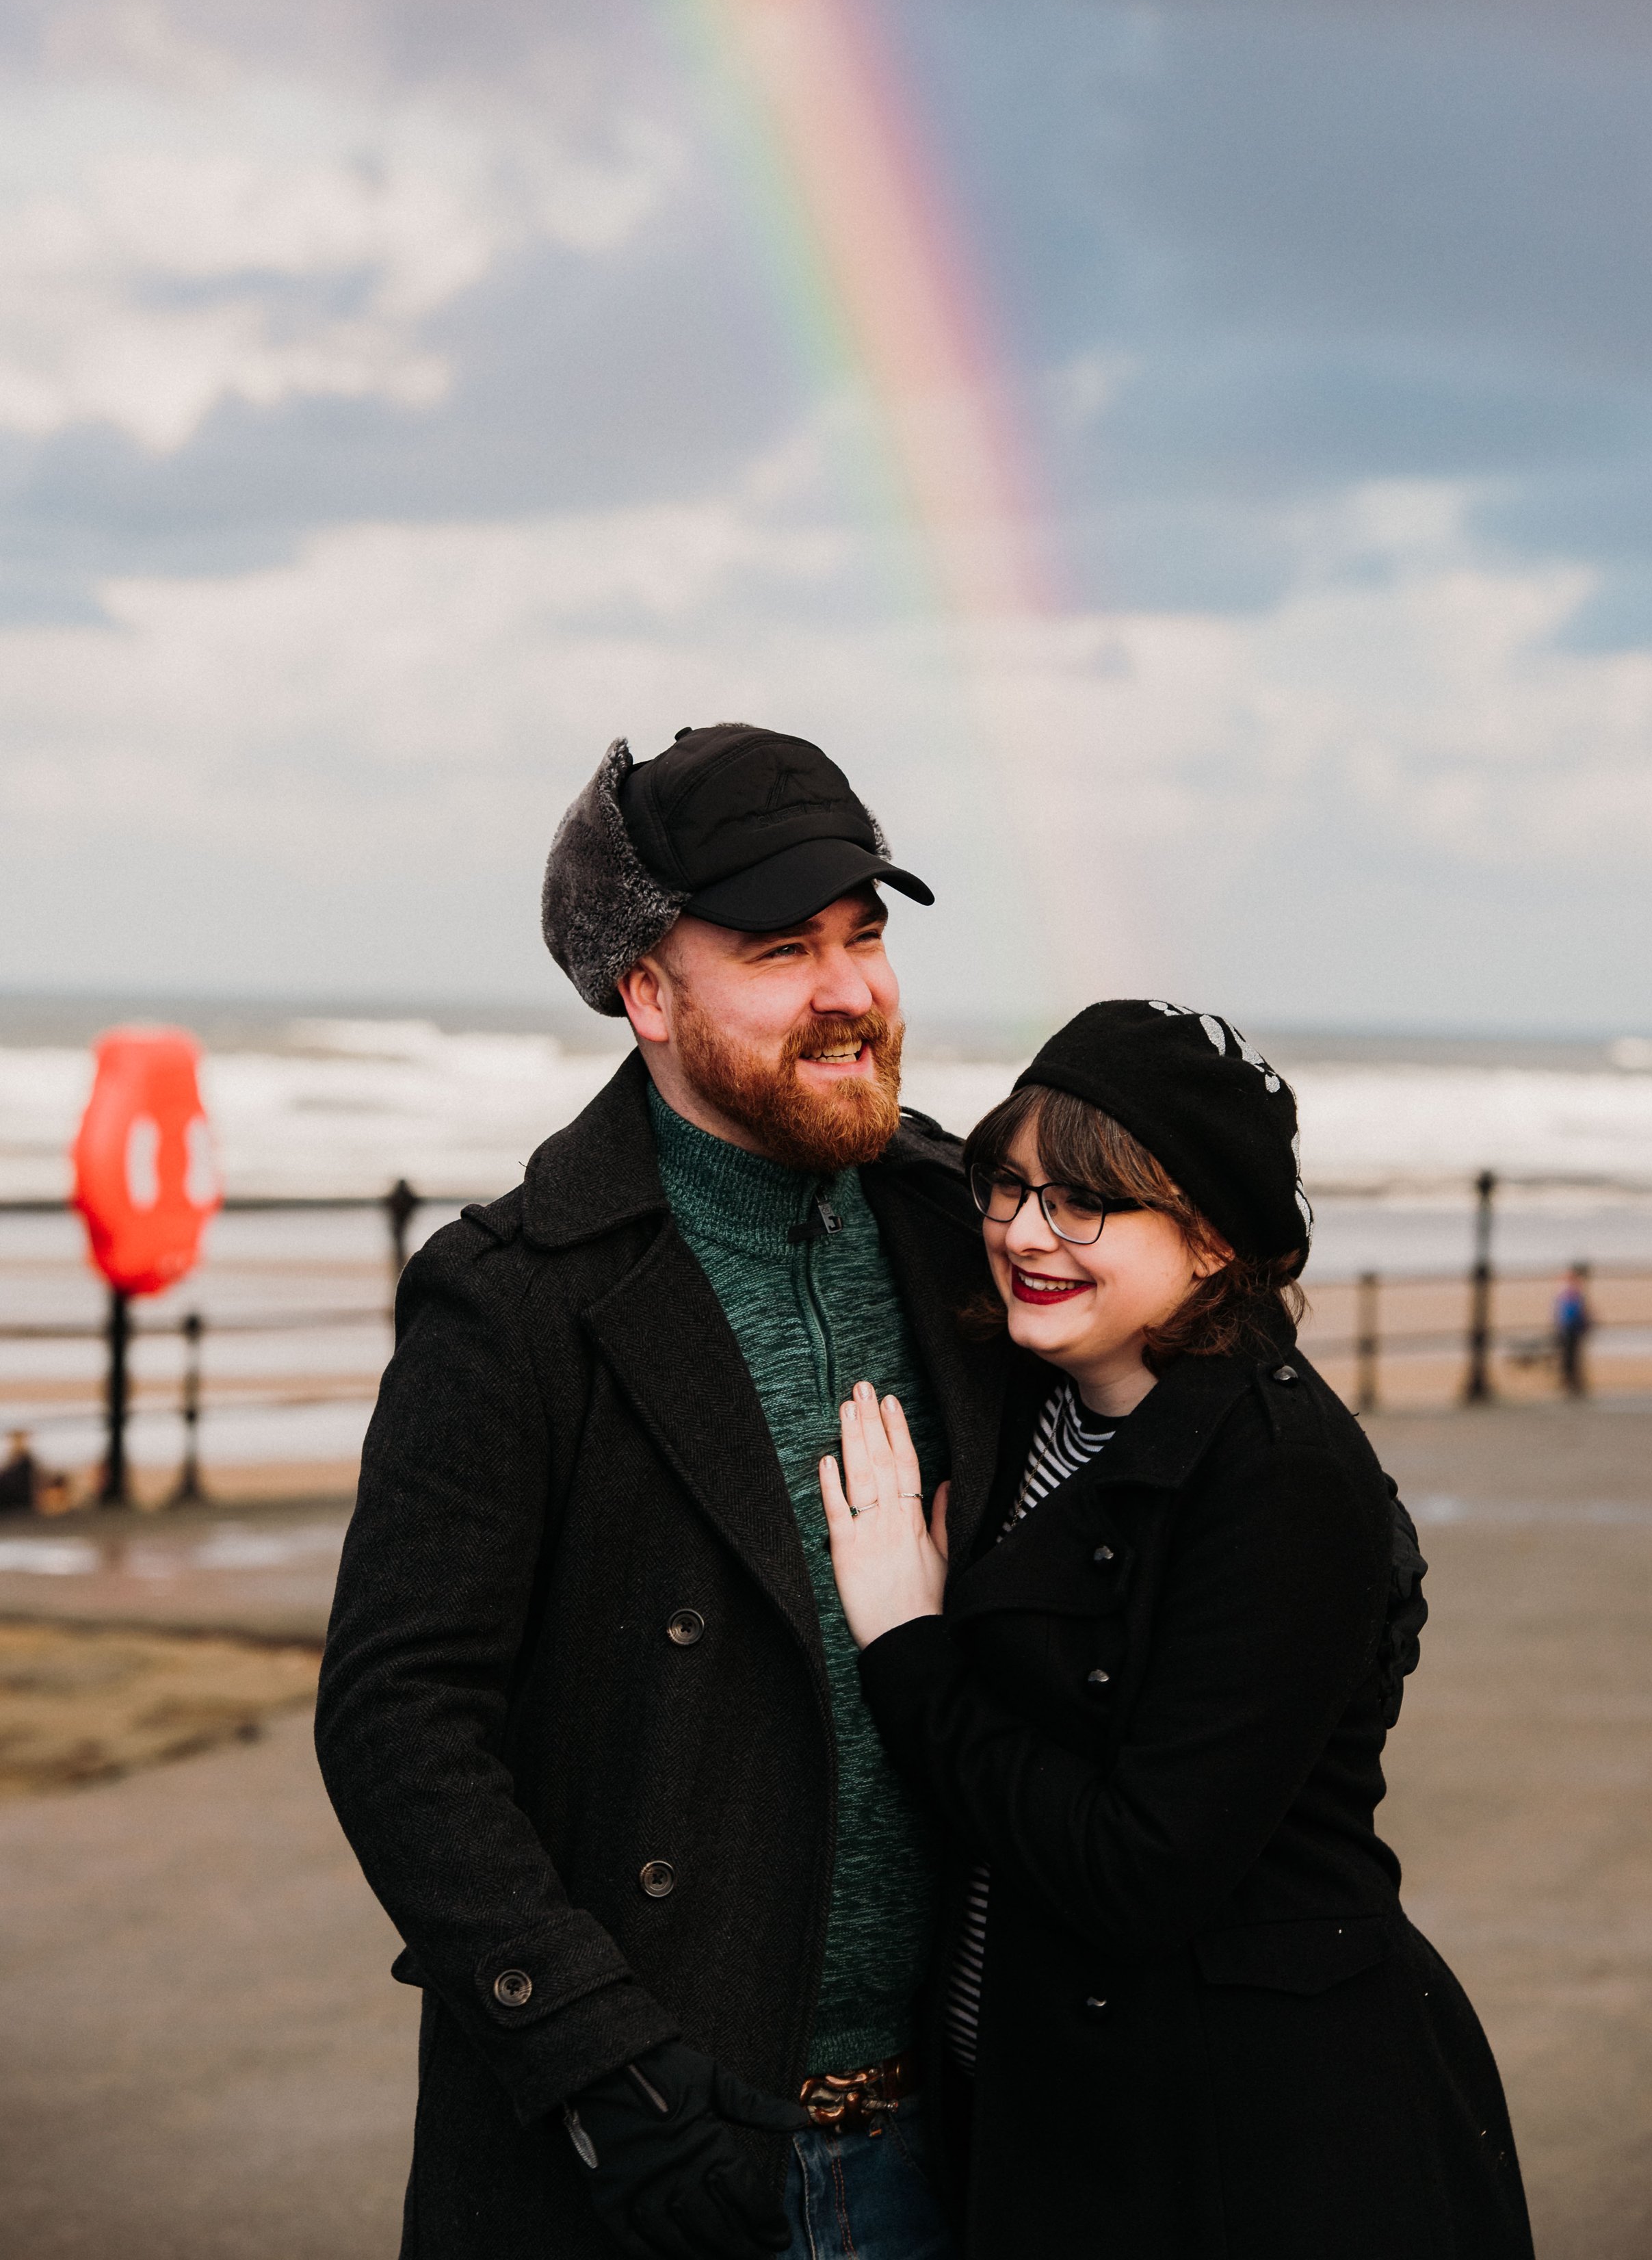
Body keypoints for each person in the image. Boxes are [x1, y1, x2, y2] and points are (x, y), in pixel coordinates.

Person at [316, 723, 995, 2260]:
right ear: (647, 996)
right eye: (778, 949)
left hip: (965, 2139)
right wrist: (602, 2068)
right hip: (646, 2163)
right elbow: (397, 1720)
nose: (849, 993)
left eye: (864, 935)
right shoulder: (515, 1302)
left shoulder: (969, 1236)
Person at [815, 1000, 1533, 2260]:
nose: (1028, 1234)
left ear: (1208, 1240)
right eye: (1011, 1185)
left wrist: (905, 1644)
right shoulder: (1036, 1399)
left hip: (1240, 2149)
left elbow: (1139, 1870)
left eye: (1086, 1203)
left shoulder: (1281, 1480)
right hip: (1039, 2121)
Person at [1554, 1264, 1593, 1396]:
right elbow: (1574, 1312)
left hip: (1572, 1328)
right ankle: (1570, 1381)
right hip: (1569, 1328)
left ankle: (1571, 1381)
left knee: (1571, 1357)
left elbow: (1574, 1312)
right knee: (1570, 1357)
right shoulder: (1570, 1294)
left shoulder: (1570, 1294)